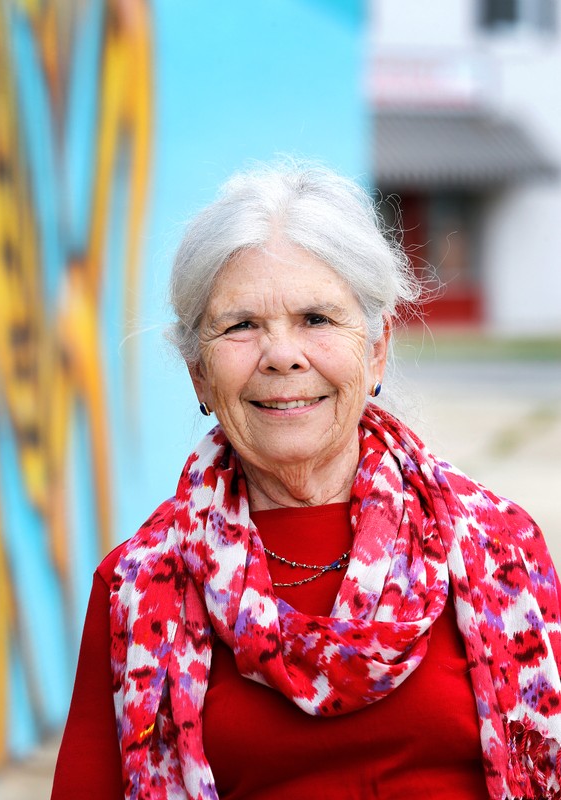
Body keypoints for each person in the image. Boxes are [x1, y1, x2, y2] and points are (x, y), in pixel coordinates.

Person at [51, 162, 561, 800]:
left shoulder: (498, 549)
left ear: (375, 350)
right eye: (241, 325)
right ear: (199, 375)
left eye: (317, 319)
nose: (283, 355)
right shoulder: (140, 585)